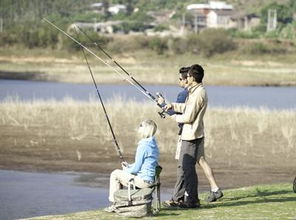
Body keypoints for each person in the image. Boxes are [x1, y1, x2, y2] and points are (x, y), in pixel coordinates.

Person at [158, 64, 222, 208]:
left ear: (192, 77)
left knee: (187, 169)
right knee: (189, 168)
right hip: (195, 133)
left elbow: (188, 117)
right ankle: (193, 198)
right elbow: (188, 108)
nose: (186, 78)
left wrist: (172, 118)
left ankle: (192, 201)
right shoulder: (195, 91)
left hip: (190, 136)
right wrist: (172, 106)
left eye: (188, 76)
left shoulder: (198, 93)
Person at [104, 119, 159, 212]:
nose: (139, 128)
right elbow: (143, 164)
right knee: (119, 173)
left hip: (143, 181)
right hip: (151, 180)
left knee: (115, 174)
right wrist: (128, 166)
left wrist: (126, 170)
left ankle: (115, 204)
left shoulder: (143, 146)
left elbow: (136, 169)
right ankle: (119, 203)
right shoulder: (153, 144)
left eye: (141, 126)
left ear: (145, 129)